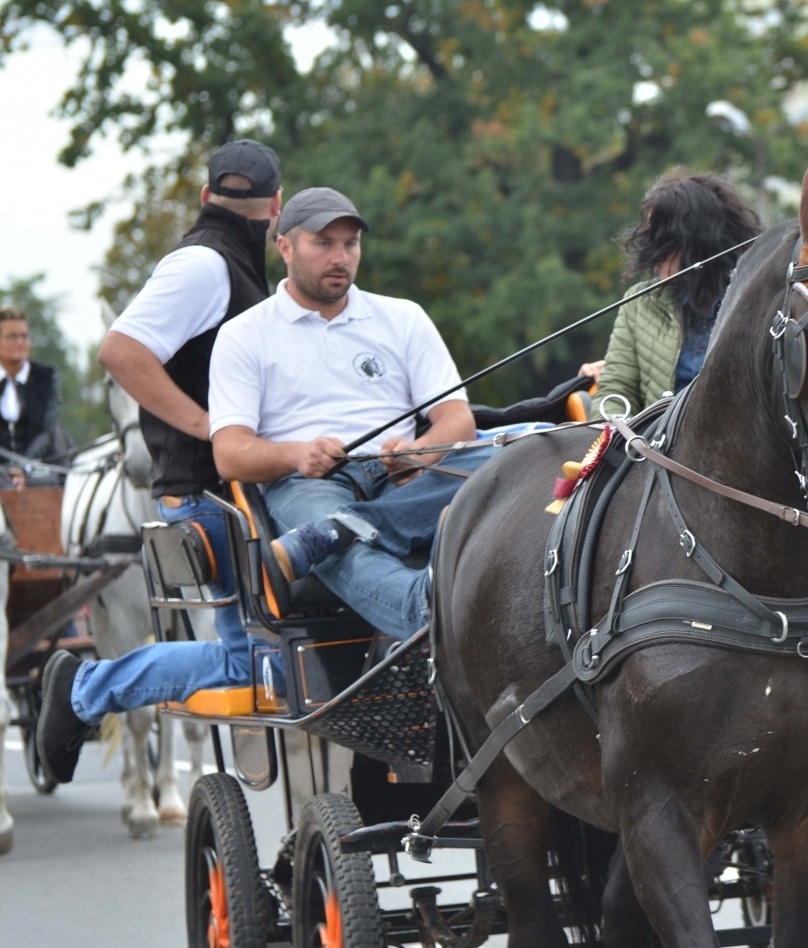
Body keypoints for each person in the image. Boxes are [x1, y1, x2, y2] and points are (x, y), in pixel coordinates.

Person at [36, 139, 283, 784]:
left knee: (272, 659)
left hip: (234, 485)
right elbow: (120, 352)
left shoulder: (231, 262)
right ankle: (86, 688)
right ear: (277, 208)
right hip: (209, 491)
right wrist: (207, 426)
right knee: (257, 665)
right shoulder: (204, 264)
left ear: (207, 196)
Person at [207, 187, 491, 641]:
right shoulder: (243, 335)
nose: (340, 257)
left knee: (516, 454)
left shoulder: (403, 317)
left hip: (403, 475)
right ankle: (424, 606)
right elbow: (230, 454)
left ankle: (343, 529)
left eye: (350, 244)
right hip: (307, 484)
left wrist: (417, 452)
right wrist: (299, 455)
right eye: (324, 243)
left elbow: (457, 418)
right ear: (285, 246)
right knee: (341, 552)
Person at [592, 170, 762, 415]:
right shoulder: (639, 303)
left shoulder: (754, 299)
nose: (650, 251)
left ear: (697, 242)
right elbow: (615, 392)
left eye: (661, 241)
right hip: (655, 448)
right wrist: (622, 439)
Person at [0, 307, 63, 470]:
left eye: (24, 336)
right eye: (11, 337)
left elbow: (47, 430)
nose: (20, 342)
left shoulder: (46, 376)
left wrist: (23, 467)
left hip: (43, 470)